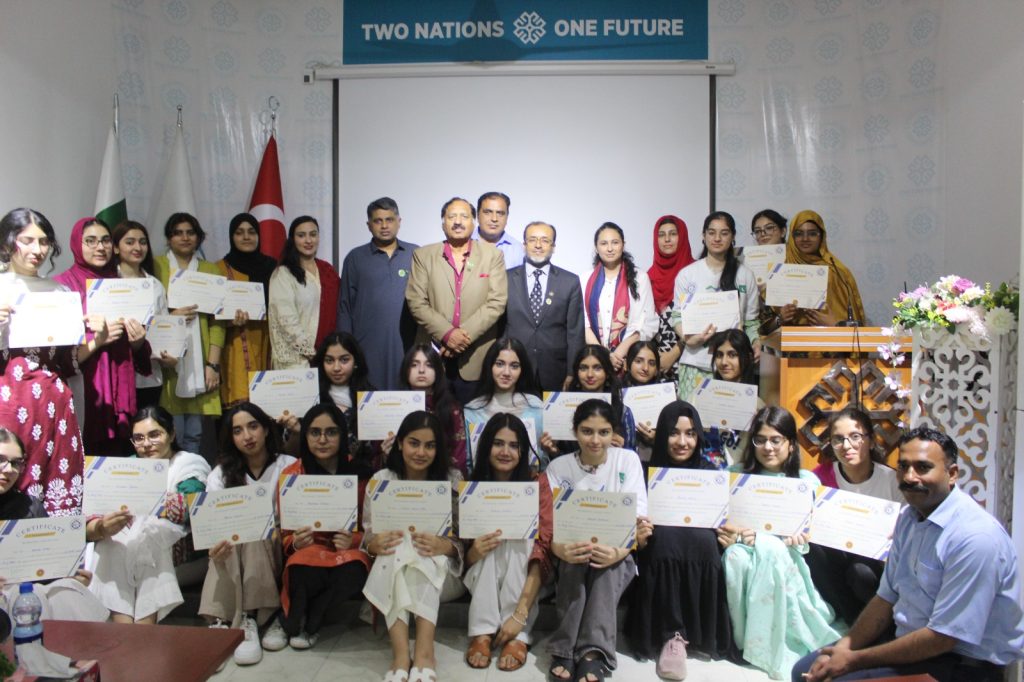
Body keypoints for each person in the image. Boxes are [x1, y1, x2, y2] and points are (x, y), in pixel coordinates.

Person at [794, 426, 1024, 682]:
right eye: (903, 466)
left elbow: (943, 637)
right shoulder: (909, 518)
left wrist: (853, 660)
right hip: (911, 642)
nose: (910, 476)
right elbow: (885, 597)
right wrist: (844, 648)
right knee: (804, 669)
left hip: (962, 665)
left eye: (923, 467)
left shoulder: (975, 538)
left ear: (952, 474)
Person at [717, 406, 840, 679]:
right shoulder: (735, 475)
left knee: (774, 551)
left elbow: (809, 535)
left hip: (786, 556)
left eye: (776, 440)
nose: (768, 447)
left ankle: (771, 642)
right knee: (736, 557)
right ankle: (742, 639)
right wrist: (736, 535)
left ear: (791, 444)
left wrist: (790, 538)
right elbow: (722, 522)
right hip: (742, 549)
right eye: (760, 440)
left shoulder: (806, 481)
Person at [627, 401, 738, 676]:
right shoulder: (645, 474)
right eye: (673, 433)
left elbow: (725, 525)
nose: (682, 442)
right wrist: (637, 537)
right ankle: (672, 635)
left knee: (705, 543)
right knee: (664, 539)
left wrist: (728, 535)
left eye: (690, 434)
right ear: (661, 434)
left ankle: (703, 632)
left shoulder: (711, 475)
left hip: (700, 551)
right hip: (660, 551)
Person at [544, 399, 647, 682]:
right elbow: (549, 521)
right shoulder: (559, 467)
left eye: (604, 432)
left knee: (606, 567)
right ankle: (564, 648)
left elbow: (638, 517)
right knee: (576, 560)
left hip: (618, 550)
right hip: (569, 549)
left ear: (613, 432)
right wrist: (560, 549)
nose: (595, 440)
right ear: (575, 431)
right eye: (587, 431)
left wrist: (618, 552)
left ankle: (594, 651)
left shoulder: (627, 460)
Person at [362, 410, 465, 682]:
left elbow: (464, 539)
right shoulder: (382, 480)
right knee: (399, 546)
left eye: (430, 445)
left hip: (443, 575)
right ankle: (401, 655)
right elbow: (367, 538)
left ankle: (423, 652)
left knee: (420, 549)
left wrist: (444, 546)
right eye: (414, 443)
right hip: (391, 568)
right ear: (400, 443)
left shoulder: (452, 479)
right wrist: (374, 544)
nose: (421, 452)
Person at [0, 208, 91, 515]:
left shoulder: (59, 292)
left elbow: (67, 361)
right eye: (27, 240)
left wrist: (96, 336)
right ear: (7, 242)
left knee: (53, 490)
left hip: (52, 404)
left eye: (44, 242)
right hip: (9, 405)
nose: (37, 250)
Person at [88, 406, 210, 624]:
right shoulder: (126, 467)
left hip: (180, 559)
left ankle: (144, 629)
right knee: (111, 542)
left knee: (148, 537)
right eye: (139, 438)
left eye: (154, 435)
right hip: (129, 554)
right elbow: (98, 511)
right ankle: (126, 629)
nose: (146, 444)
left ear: (171, 434)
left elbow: (190, 508)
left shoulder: (188, 464)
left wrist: (140, 501)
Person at [200, 402, 296, 666]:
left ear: (265, 429)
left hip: (278, 547)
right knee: (231, 538)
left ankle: (242, 616)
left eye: (253, 426)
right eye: (238, 430)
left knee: (253, 529)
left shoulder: (288, 465)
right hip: (233, 549)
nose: (247, 436)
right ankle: (239, 617)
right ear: (231, 438)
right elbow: (212, 522)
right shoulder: (220, 474)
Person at [275, 404, 372, 650]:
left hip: (345, 551)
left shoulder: (360, 473)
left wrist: (354, 540)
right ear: (305, 435)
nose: (322, 440)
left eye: (331, 432)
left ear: (342, 435)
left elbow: (372, 525)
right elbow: (285, 533)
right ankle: (294, 620)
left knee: (354, 568)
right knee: (303, 563)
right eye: (314, 432)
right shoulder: (292, 475)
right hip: (309, 549)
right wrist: (296, 542)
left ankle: (312, 619)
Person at [463, 413, 553, 672]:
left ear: (523, 451)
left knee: (523, 539)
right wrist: (474, 552)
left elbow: (545, 546)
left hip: (528, 575)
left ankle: (518, 635)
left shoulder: (537, 483)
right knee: (490, 540)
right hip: (483, 572)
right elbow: (461, 553)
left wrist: (519, 614)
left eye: (514, 445)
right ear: (486, 446)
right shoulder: (472, 486)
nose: (505, 452)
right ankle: (482, 631)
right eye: (498, 443)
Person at [55, 217, 152, 457]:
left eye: (105, 240)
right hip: (85, 389)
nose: (100, 247)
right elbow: (59, 355)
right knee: (83, 458)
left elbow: (139, 352)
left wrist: (138, 341)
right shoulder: (61, 287)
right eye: (91, 241)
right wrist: (98, 340)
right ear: (77, 244)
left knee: (119, 459)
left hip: (121, 388)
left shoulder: (122, 286)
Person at [0, 427, 108, 623]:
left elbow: (47, 566)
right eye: (1, 459)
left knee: (66, 592)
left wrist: (69, 575)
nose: (9, 470)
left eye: (16, 463)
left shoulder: (29, 507)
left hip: (27, 594)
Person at [405, 197, 508, 404]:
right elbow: (416, 301)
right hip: (433, 355)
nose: (458, 222)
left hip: (476, 356)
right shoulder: (423, 255)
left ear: (473, 222)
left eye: (464, 216)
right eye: (452, 217)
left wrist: (461, 337)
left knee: (474, 419)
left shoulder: (492, 256)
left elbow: (496, 302)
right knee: (432, 418)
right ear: (443, 223)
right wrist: (447, 333)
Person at [153, 212, 226, 453]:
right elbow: (146, 313)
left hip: (199, 362)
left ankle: (190, 476)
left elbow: (218, 322)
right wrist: (171, 316)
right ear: (168, 238)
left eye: (190, 232)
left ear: (198, 237)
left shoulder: (210, 270)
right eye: (178, 233)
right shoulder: (156, 266)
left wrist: (212, 365)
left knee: (195, 435)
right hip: (167, 362)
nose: (185, 238)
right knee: (171, 434)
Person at [672, 211, 760, 401]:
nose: (717, 238)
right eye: (711, 232)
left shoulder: (745, 275)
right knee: (693, 417)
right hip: (695, 363)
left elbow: (752, 322)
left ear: (733, 236)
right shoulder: (687, 275)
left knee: (730, 417)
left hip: (733, 367)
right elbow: (677, 316)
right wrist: (690, 339)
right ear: (703, 236)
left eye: (724, 233)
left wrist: (756, 343)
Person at [338, 197, 419, 391]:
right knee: (369, 400)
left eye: (389, 220)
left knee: (407, 398)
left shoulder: (416, 254)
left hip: (407, 345)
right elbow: (345, 306)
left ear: (399, 222)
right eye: (378, 221)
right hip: (367, 346)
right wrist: (346, 349)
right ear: (369, 225)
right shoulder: (355, 258)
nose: (384, 226)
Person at [503, 221, 585, 392]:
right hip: (513, 368)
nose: (538, 245)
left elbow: (575, 333)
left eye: (545, 240)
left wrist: (572, 372)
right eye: (532, 240)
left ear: (553, 247)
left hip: (556, 371)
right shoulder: (505, 278)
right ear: (524, 245)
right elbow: (499, 328)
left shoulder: (570, 282)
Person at [216, 213, 276, 407]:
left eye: (251, 232)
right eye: (239, 232)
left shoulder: (274, 267)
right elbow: (211, 316)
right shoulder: (219, 269)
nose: (246, 237)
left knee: (269, 407)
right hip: (234, 344)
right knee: (238, 410)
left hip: (268, 342)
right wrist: (228, 321)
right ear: (231, 237)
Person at [583, 222, 658, 374]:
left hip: (630, 359)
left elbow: (649, 322)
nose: (610, 248)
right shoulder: (585, 279)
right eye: (604, 243)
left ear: (623, 245)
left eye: (615, 242)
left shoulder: (640, 278)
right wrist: (604, 356)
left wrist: (618, 353)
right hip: (595, 361)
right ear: (596, 247)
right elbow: (583, 324)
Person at [112, 220, 170, 410]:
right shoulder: (105, 284)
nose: (138, 247)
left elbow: (163, 329)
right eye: (130, 242)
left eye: (142, 242)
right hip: (114, 374)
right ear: (115, 248)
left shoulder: (155, 285)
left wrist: (169, 354)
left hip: (149, 377)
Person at [463, 337, 545, 472]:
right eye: (500, 364)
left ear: (522, 370)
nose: (506, 372)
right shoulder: (472, 411)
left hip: (527, 482)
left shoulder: (537, 408)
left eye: (514, 366)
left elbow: (542, 461)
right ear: (490, 366)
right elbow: (469, 464)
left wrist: (551, 449)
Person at [299, 332, 379, 469]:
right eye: (329, 360)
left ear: (356, 362)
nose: (336, 368)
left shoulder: (371, 398)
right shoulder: (309, 396)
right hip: (315, 474)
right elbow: (291, 450)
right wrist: (297, 432)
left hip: (360, 474)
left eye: (344, 360)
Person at [269, 216, 340, 369]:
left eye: (313, 234)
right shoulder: (283, 274)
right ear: (292, 240)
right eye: (301, 235)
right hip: (296, 361)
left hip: (328, 358)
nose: (308, 240)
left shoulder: (327, 270)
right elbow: (286, 320)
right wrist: (312, 353)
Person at [779, 209, 865, 327]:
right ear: (792, 237)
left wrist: (835, 325)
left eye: (812, 233)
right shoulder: (783, 271)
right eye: (799, 234)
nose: (805, 239)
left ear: (822, 237)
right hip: (792, 336)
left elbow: (851, 323)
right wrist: (781, 317)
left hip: (832, 336)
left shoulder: (836, 271)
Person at [400, 344, 468, 475]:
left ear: (438, 370)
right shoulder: (393, 405)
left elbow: (459, 455)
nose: (421, 370)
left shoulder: (451, 409)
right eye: (414, 365)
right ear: (405, 370)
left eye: (429, 365)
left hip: (442, 478)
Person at [563, 345, 637, 453]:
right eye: (583, 368)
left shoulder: (623, 412)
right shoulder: (562, 410)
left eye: (597, 368)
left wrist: (623, 449)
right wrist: (553, 451)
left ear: (607, 373)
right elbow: (561, 453)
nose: (590, 374)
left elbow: (633, 455)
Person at [703, 329, 761, 468]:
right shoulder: (700, 396)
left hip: (739, 475)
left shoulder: (758, 406)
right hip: (704, 472)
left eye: (732, 355)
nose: (724, 362)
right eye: (719, 355)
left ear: (748, 357)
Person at [647, 215, 694, 384]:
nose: (667, 239)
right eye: (661, 235)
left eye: (673, 234)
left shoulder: (695, 274)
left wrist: (673, 354)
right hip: (654, 366)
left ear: (682, 237)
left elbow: (702, 322)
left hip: (689, 361)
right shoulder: (647, 278)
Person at [621, 340, 661, 461]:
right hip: (621, 460)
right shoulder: (616, 395)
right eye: (638, 361)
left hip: (653, 460)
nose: (645, 368)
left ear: (657, 369)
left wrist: (657, 438)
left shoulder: (667, 397)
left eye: (652, 363)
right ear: (627, 364)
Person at [475, 191, 523, 268]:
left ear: (507, 217)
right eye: (488, 212)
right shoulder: (462, 244)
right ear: (477, 215)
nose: (494, 219)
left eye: (500, 213)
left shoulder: (519, 251)